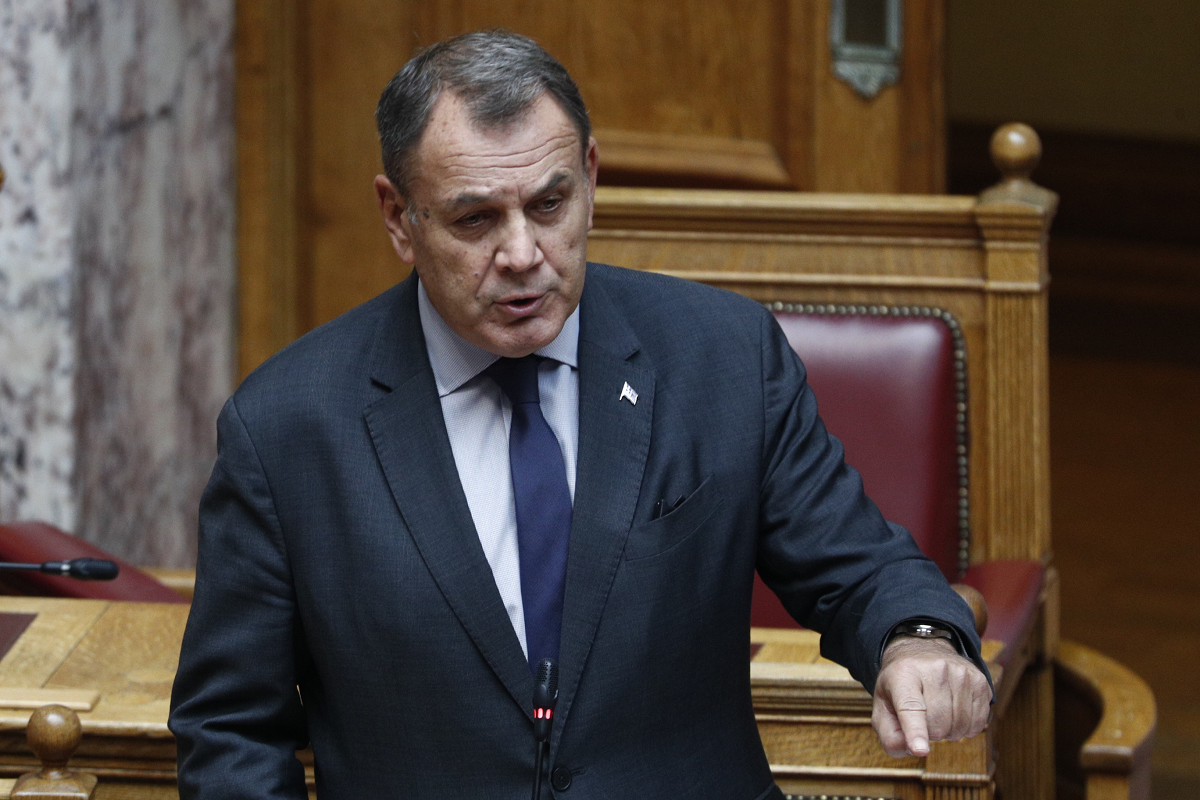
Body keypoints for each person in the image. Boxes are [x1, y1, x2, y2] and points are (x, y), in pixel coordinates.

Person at [170, 29, 991, 800]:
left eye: (549, 204)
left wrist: (917, 639)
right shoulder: (287, 427)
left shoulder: (723, 358)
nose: (522, 254)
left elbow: (858, 569)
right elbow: (232, 729)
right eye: (475, 219)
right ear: (398, 218)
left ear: (591, 180)